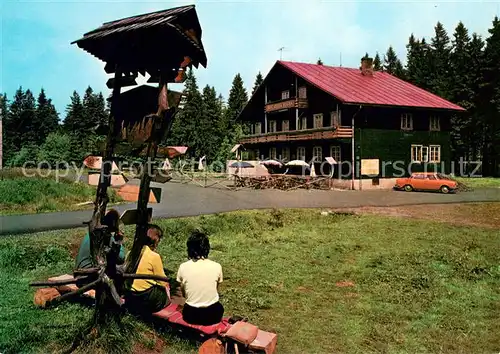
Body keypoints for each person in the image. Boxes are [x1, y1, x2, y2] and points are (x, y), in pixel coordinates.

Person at [177, 230, 224, 325]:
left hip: (190, 315)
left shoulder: (183, 267)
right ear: (207, 248)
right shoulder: (217, 266)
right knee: (219, 307)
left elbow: (183, 293)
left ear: (189, 249)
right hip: (212, 316)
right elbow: (215, 290)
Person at [124, 224, 170, 314]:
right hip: (146, 297)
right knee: (164, 291)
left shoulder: (131, 253)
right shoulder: (154, 256)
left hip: (131, 295)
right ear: (156, 241)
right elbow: (162, 281)